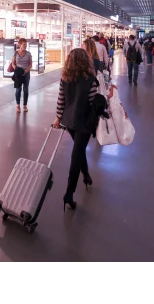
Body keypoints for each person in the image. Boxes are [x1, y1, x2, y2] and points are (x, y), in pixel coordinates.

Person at [52, 48, 113, 211]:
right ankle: (69, 194)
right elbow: (92, 101)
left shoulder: (65, 78)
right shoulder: (90, 80)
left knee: (78, 150)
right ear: (86, 61)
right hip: (84, 123)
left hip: (69, 121)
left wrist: (58, 118)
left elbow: (61, 100)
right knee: (76, 154)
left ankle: (85, 176)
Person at [11, 38, 33, 113]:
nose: (25, 46)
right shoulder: (15, 53)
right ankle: (17, 105)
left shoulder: (28, 54)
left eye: (26, 44)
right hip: (18, 74)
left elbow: (30, 64)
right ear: (20, 44)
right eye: (24, 44)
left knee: (26, 90)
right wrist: (16, 69)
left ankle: (25, 105)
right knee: (18, 89)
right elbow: (13, 63)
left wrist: (25, 71)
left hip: (26, 74)